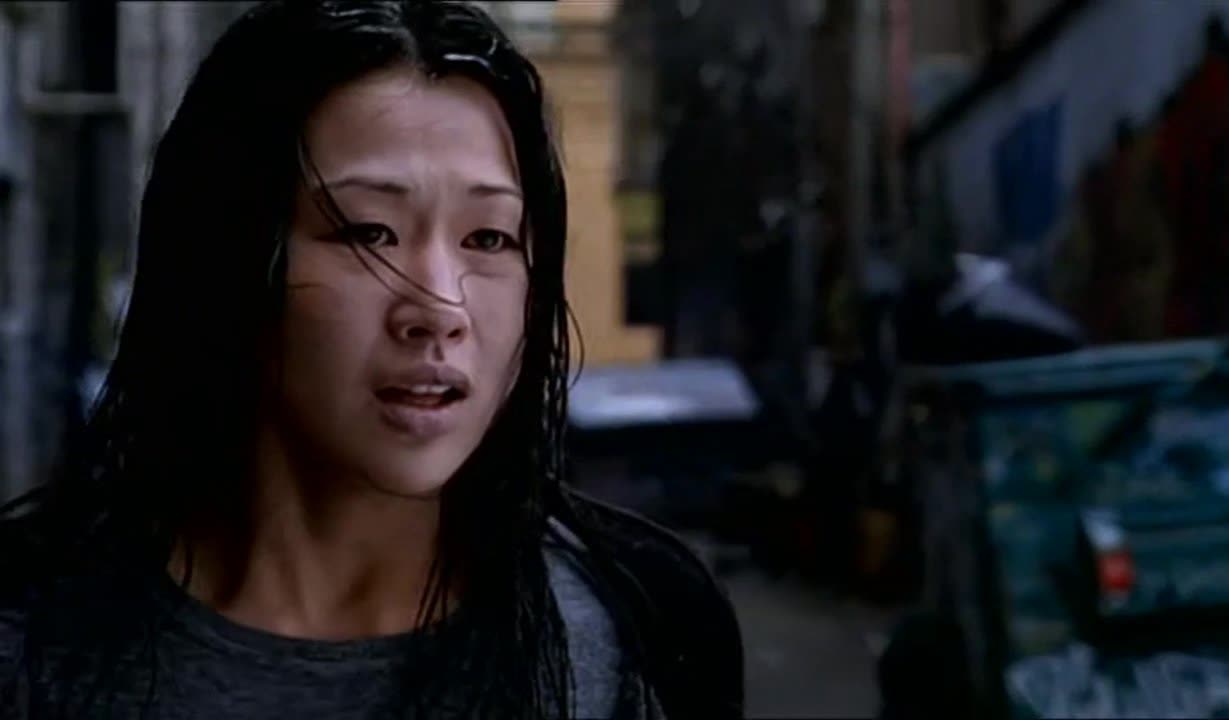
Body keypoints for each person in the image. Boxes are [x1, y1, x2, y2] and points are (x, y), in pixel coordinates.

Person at [0, 2, 743, 718]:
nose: (439, 308)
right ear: (230, 256)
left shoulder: (637, 623)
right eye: (367, 232)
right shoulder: (30, 632)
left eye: (488, 238)